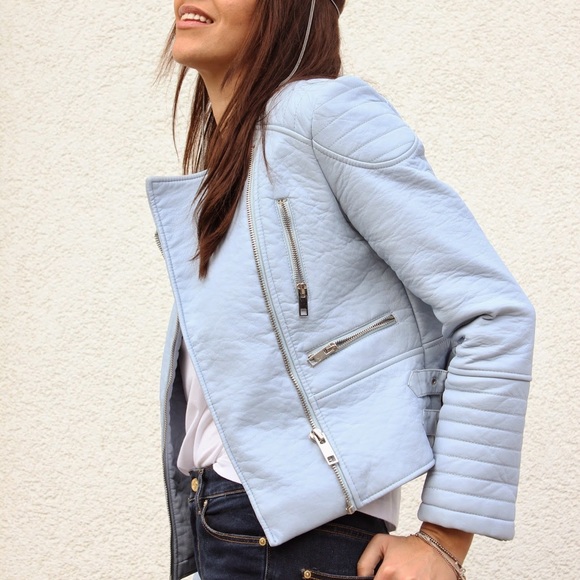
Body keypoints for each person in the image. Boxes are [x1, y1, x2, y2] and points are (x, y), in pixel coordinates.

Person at [147, 1, 535, 578]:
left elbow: (493, 312)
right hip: (228, 526)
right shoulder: (236, 165)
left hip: (295, 541)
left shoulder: (319, 114)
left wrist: (445, 538)